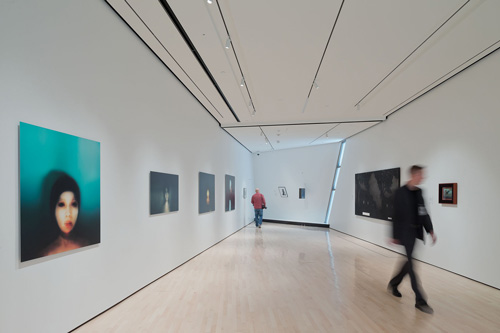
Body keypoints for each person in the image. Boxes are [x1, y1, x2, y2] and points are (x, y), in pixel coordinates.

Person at [388, 165, 437, 314]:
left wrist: (430, 230)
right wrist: (394, 235)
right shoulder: (400, 193)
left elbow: (423, 212)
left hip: (416, 232)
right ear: (413, 175)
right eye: (421, 175)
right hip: (404, 232)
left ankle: (394, 283)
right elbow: (395, 215)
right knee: (411, 264)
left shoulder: (419, 192)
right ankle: (420, 300)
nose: (422, 178)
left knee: (408, 262)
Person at [41, 174, 88, 256]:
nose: (68, 213)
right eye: (62, 204)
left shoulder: (86, 245)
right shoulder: (46, 254)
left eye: (73, 204)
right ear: (53, 209)